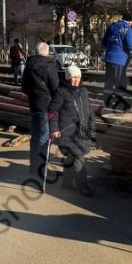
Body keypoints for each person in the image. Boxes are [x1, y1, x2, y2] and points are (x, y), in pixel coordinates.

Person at [49, 64, 97, 197]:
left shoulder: (83, 91)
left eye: (77, 77)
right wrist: (54, 129)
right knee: (79, 157)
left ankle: (66, 182)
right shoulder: (61, 92)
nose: (75, 80)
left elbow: (88, 110)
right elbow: (52, 111)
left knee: (72, 156)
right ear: (67, 77)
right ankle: (84, 187)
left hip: (81, 131)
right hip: (67, 132)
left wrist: (91, 127)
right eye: (72, 77)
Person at [22, 42, 59, 176]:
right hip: (46, 107)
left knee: (35, 136)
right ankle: (42, 169)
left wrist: (34, 96)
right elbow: (56, 88)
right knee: (44, 138)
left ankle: (33, 167)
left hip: (34, 105)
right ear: (47, 53)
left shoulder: (29, 66)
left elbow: (24, 87)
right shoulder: (49, 66)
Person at [101, 13, 132, 110]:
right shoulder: (128, 29)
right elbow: (131, 46)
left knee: (109, 81)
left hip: (109, 58)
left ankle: (107, 102)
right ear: (130, 21)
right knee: (120, 82)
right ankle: (120, 105)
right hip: (120, 60)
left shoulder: (112, 26)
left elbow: (104, 42)